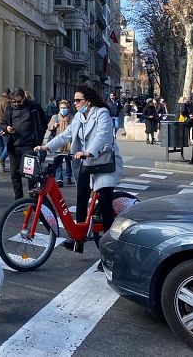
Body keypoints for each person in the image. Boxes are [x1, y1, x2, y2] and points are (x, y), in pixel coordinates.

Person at [36, 85, 124, 257]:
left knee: (105, 205)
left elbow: (103, 135)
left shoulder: (102, 113)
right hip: (86, 160)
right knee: (81, 196)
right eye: (74, 100)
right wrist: (47, 146)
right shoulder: (78, 117)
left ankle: (108, 253)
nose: (74, 103)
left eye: (78, 100)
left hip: (104, 162)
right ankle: (78, 238)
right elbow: (65, 135)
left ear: (88, 101)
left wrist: (89, 151)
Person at [3, 88, 48, 200]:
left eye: (19, 101)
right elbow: (3, 122)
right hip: (13, 145)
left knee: (30, 174)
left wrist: (38, 139)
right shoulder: (9, 108)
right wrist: (6, 128)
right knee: (14, 173)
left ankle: (32, 199)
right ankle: (18, 198)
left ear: (24, 98)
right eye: (14, 102)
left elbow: (43, 122)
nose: (17, 104)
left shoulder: (34, 107)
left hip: (29, 145)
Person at [48, 100, 74, 186]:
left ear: (68, 109)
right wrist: (53, 126)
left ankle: (68, 176)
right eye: (61, 108)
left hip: (68, 144)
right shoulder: (55, 117)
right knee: (58, 162)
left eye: (65, 108)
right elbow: (49, 126)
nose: (63, 110)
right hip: (58, 143)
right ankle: (59, 179)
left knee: (68, 161)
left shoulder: (72, 118)